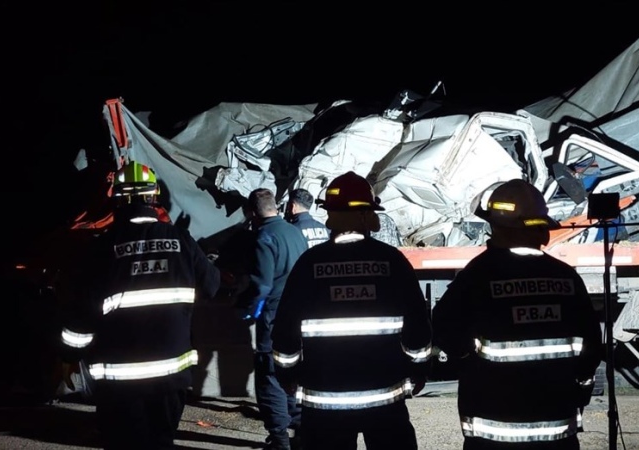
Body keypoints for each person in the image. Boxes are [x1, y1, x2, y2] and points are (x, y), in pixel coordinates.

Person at [431, 179, 603, 450]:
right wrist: (579, 388)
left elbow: (443, 329)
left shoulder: (477, 275)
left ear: (498, 228)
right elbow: (591, 347)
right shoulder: (566, 277)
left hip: (492, 431)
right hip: (556, 430)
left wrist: (468, 356)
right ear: (542, 230)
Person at [59, 161, 221, 450]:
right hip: (171, 377)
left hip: (120, 382)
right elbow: (211, 287)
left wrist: (69, 351)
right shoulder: (181, 240)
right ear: (153, 196)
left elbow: (83, 311)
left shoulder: (103, 247)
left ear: (117, 200)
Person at [271, 171, 433, 450]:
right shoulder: (391, 260)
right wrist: (419, 369)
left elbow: (285, 329)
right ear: (366, 215)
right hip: (384, 400)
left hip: (324, 404)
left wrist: (287, 374)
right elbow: (418, 325)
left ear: (330, 215)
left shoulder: (310, 263)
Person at [236, 187, 309, 450]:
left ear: (252, 212)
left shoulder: (264, 237)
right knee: (293, 373)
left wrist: (246, 310)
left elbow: (262, 286)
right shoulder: (295, 231)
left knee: (270, 377)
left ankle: (279, 439)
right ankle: (301, 432)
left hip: (274, 318)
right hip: (299, 316)